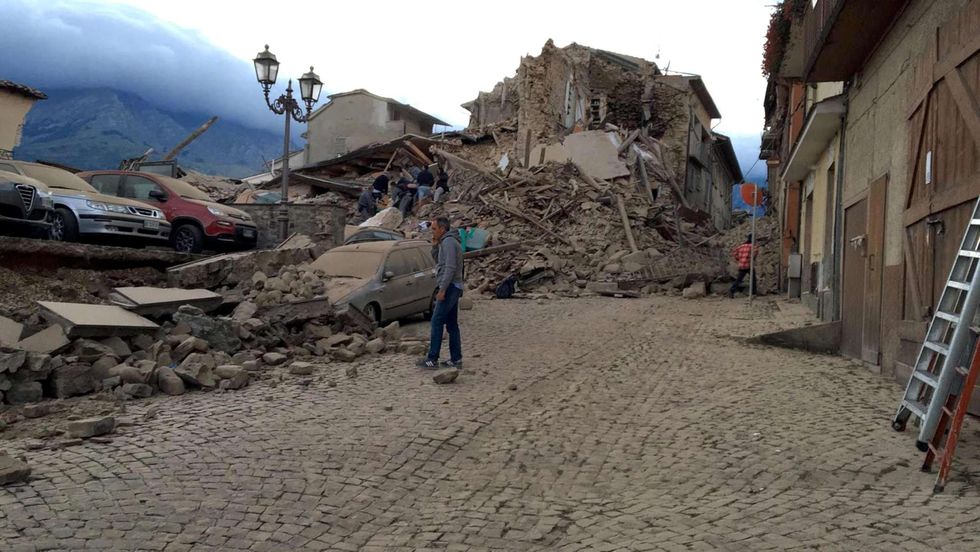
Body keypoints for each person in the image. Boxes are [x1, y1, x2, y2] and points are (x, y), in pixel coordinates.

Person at [418, 216, 464, 369]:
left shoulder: (449, 242)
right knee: (451, 324)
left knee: (437, 321)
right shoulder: (445, 242)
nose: (432, 232)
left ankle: (432, 358)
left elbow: (450, 267)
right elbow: (439, 261)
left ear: (443, 229)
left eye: (434, 229)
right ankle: (456, 359)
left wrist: (442, 289)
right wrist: (435, 246)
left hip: (450, 287)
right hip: (453, 286)